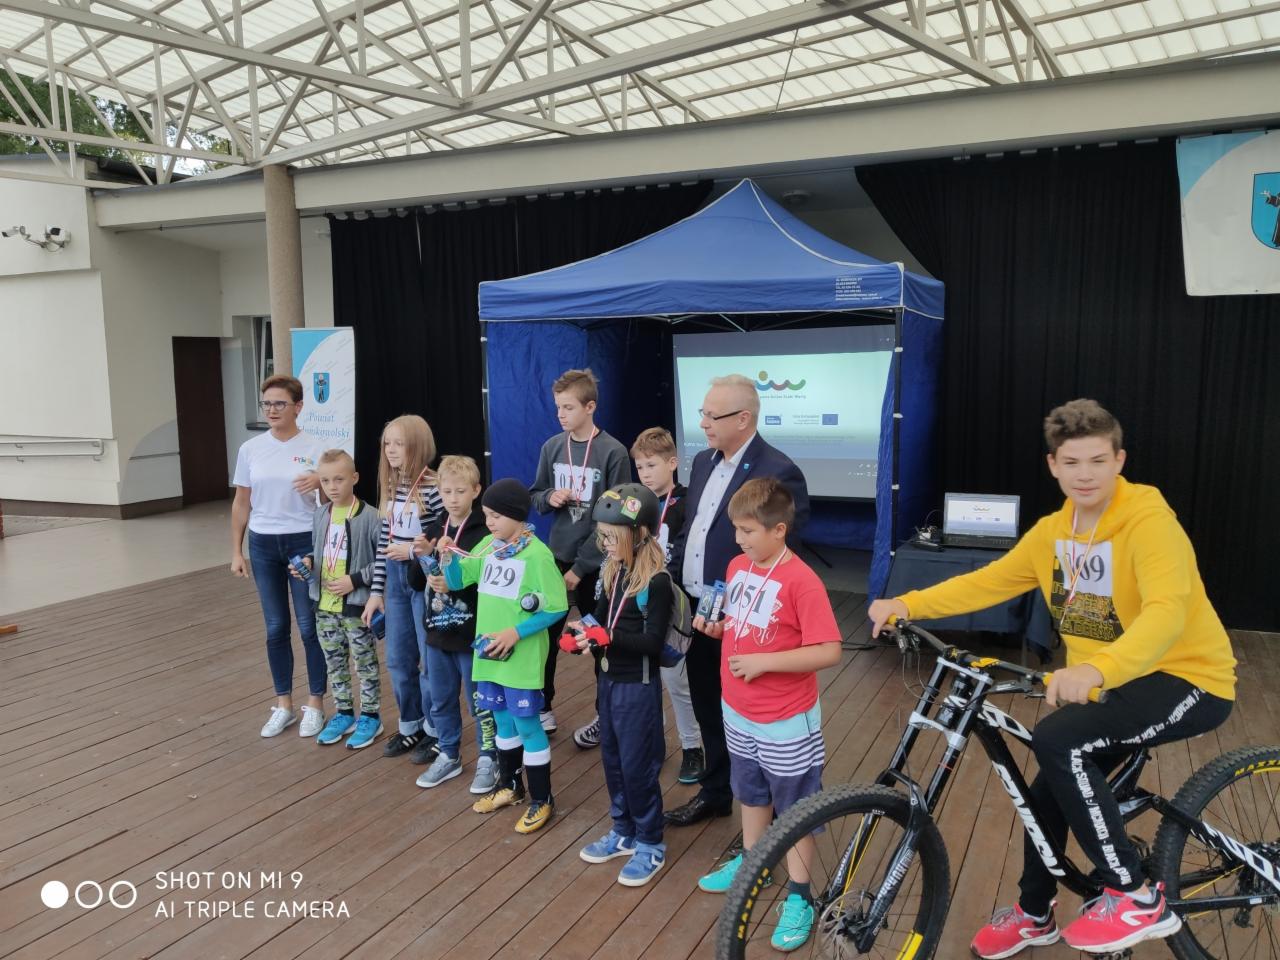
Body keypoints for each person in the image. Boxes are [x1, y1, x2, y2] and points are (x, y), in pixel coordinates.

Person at [868, 399, 1237, 958]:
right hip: (1115, 684)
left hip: (1189, 678)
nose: (1085, 474)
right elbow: (991, 581)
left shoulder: (1149, 524)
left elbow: (1167, 612)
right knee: (1045, 792)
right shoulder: (1053, 533)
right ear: (1053, 465)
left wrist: (1096, 668)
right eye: (1072, 462)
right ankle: (1034, 914)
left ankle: (1135, 896)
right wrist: (907, 603)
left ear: (1119, 460)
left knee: (1059, 741)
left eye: (1097, 460)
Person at [694, 478, 841, 953]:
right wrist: (718, 630)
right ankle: (754, 863)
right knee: (750, 790)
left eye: (748, 531)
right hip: (738, 709)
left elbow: (829, 650)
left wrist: (765, 663)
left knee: (796, 807)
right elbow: (744, 626)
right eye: (736, 529)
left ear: (779, 529)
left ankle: (800, 896)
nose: (738, 539)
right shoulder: (738, 567)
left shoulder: (803, 581)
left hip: (785, 719)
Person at [666, 374, 811, 827]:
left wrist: (742, 611)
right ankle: (715, 793)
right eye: (703, 413)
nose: (703, 423)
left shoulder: (778, 472)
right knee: (708, 704)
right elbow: (693, 529)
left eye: (713, 415)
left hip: (744, 621)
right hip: (697, 609)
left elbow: (784, 555)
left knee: (752, 718)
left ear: (743, 419)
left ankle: (768, 818)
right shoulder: (702, 463)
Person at [573, 427, 705, 787]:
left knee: (675, 680)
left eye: (652, 465)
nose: (645, 473)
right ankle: (651, 743)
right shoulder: (632, 505)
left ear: (673, 463)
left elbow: (688, 551)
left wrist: (660, 579)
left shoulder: (686, 503)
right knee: (640, 678)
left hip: (666, 597)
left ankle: (692, 746)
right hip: (630, 601)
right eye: (640, 467)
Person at [437, 479, 569, 834]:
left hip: (520, 656)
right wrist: (447, 557)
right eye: (486, 515)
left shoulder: (537, 554)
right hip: (488, 653)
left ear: (516, 515)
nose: (490, 522)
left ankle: (542, 799)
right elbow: (457, 581)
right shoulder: (486, 546)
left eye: (496, 515)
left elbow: (557, 607)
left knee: (527, 724)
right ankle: (511, 786)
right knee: (502, 722)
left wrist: (516, 633)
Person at [570, 484, 673, 887]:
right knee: (612, 759)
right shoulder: (614, 570)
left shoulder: (656, 581)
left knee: (637, 765)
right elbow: (598, 617)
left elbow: (652, 643)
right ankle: (624, 829)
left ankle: (650, 840)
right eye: (602, 537)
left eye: (613, 537)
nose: (606, 544)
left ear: (639, 533)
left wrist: (608, 637)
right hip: (609, 681)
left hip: (637, 687)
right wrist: (581, 632)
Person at [530, 368, 631, 734]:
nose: (561, 414)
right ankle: (542, 706)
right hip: (556, 558)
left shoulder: (613, 452)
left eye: (569, 407)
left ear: (590, 407)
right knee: (545, 638)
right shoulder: (552, 447)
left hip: (598, 564)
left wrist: (581, 567)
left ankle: (606, 713)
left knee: (598, 638)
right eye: (558, 406)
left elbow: (615, 518)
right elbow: (535, 496)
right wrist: (550, 497)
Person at [230, 374, 328, 739]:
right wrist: (236, 551)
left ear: (298, 407)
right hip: (263, 544)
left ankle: (315, 704)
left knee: (308, 625)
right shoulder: (250, 449)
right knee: (275, 627)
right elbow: (242, 502)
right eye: (267, 404)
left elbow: (332, 503)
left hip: (303, 542)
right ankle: (283, 705)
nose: (272, 410)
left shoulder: (317, 448)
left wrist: (321, 481)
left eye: (279, 404)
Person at [407, 455, 499, 794]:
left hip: (471, 633)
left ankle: (489, 756)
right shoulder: (433, 529)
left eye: (460, 491)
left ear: (476, 490)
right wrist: (421, 556)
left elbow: (488, 581)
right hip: (437, 632)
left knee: (480, 702)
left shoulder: (486, 533)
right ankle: (448, 753)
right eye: (446, 492)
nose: (453, 499)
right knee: (441, 699)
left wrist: (455, 576)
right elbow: (416, 582)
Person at [361, 415, 444, 764]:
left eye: (399, 443)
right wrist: (376, 591)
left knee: (429, 659)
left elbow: (445, 539)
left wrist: (412, 551)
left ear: (418, 445)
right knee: (397, 658)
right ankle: (411, 724)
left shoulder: (435, 486)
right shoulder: (392, 484)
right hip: (394, 580)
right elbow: (385, 542)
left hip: (423, 577)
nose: (391, 450)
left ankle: (436, 729)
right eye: (387, 443)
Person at [296, 450, 384, 750]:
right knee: (334, 663)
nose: (332, 487)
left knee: (364, 662)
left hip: (356, 606)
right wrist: (309, 562)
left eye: (339, 479)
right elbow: (320, 551)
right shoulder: (320, 514)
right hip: (324, 605)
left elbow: (382, 561)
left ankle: (371, 716)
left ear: (354, 478)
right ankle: (344, 712)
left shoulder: (371, 517)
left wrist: (355, 580)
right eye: (325, 481)